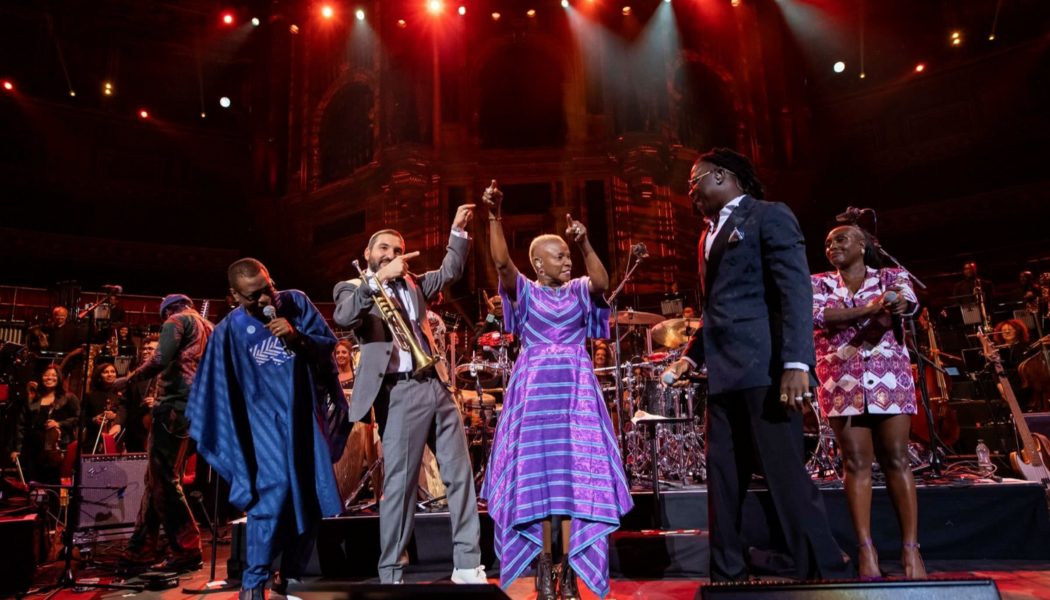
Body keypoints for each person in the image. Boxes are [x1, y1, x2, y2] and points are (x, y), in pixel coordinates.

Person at [661, 148, 853, 582]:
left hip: (766, 371)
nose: (689, 190)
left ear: (724, 176)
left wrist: (797, 362)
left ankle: (823, 571)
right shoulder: (705, 236)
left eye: (695, 181)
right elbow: (715, 310)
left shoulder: (768, 215)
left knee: (784, 474)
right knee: (722, 478)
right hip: (724, 377)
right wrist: (690, 357)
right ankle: (727, 574)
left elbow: (794, 293)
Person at [479, 181, 632, 599]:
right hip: (534, 398)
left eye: (567, 255)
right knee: (538, 481)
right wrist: (494, 216)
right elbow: (501, 263)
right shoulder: (525, 291)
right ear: (538, 263)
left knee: (572, 482)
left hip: (576, 396)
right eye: (559, 255)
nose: (566, 261)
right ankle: (545, 570)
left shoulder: (580, 290)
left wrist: (584, 245)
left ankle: (568, 573)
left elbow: (601, 281)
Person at [332, 205, 486, 586]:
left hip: (436, 384)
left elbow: (450, 271)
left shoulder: (414, 284)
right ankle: (392, 572)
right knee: (400, 485)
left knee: (460, 477)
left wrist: (457, 232)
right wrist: (377, 279)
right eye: (384, 248)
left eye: (397, 250)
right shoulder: (353, 287)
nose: (392, 254)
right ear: (369, 254)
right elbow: (344, 318)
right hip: (399, 392)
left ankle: (467, 563)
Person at [187, 259, 350, 599]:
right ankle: (253, 582)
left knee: (311, 495)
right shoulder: (228, 332)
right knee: (271, 498)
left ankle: (289, 576)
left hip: (304, 420)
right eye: (253, 296)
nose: (264, 300)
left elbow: (327, 348)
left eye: (267, 289)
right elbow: (213, 390)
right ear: (234, 296)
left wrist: (297, 337)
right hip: (263, 428)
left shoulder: (294, 303)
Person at [811, 224, 926, 580]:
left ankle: (910, 551)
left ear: (863, 245)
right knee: (856, 464)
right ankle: (866, 550)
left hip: (890, 380)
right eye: (828, 241)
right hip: (841, 381)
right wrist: (872, 308)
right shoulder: (818, 283)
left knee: (896, 460)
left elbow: (907, 304)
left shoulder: (893, 275)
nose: (832, 246)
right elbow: (819, 316)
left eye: (841, 239)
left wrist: (895, 302)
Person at [113, 294, 212, 572]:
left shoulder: (176, 321)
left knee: (164, 480)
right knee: (156, 479)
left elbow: (159, 359)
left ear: (168, 309)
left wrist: (128, 379)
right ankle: (141, 548)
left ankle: (187, 548)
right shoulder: (209, 326)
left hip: (172, 407)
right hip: (196, 409)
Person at [8, 366, 79, 485]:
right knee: (33, 483)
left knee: (54, 483)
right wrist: (17, 449)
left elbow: (78, 418)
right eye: (46, 375)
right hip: (34, 449)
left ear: (59, 378)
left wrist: (59, 424)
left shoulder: (69, 398)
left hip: (57, 449)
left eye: (53, 375)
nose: (49, 378)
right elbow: (21, 425)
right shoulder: (33, 399)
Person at [121, 338, 160, 453]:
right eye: (144, 348)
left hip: (158, 432)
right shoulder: (136, 375)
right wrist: (118, 423)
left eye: (150, 349)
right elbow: (125, 403)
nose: (145, 351)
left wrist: (158, 402)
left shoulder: (169, 373)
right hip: (135, 433)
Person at [83, 361, 124, 453]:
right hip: (94, 439)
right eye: (106, 372)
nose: (110, 374)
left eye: (113, 372)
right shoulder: (90, 396)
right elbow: (82, 418)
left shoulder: (122, 395)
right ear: (99, 376)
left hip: (117, 439)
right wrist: (94, 419)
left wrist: (115, 417)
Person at [995, 319, 1034, 411]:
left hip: (1024, 388)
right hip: (1004, 386)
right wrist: (1000, 386)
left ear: (1018, 330)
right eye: (1004, 330)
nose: (1007, 332)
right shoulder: (997, 351)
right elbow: (995, 371)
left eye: (1010, 329)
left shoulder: (1026, 348)